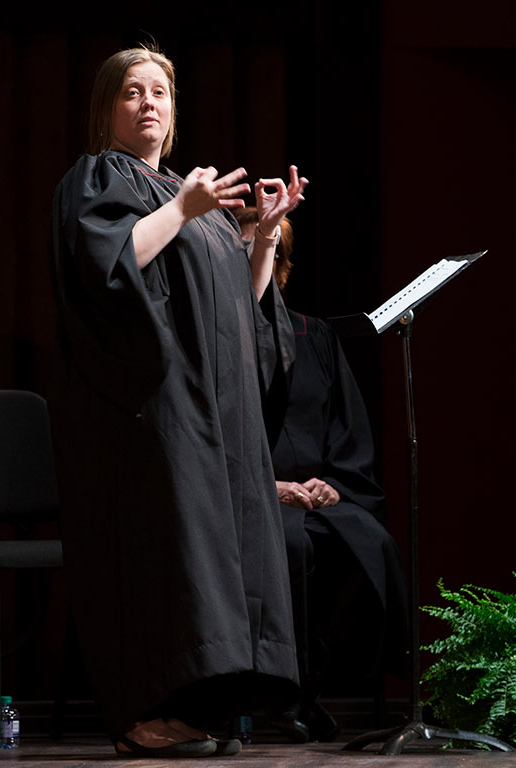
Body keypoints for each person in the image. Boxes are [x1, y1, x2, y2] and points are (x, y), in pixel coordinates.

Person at [49, 46, 308, 757]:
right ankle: (142, 713)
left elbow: (239, 312)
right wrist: (189, 210)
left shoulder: (192, 195)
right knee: (165, 556)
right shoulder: (100, 176)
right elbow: (109, 264)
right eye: (130, 92)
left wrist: (256, 240)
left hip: (211, 413)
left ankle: (194, 710)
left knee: (210, 562)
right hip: (147, 414)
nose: (148, 103)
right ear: (107, 109)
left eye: (159, 90)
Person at [233, 208, 409, 742]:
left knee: (369, 540)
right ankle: (276, 697)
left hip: (314, 496)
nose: (256, 258)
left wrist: (335, 481)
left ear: (281, 262)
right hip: (251, 497)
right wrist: (270, 488)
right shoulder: (221, 341)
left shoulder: (316, 336)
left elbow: (346, 428)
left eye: (266, 249)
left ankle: (316, 689)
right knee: (294, 547)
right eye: (243, 249)